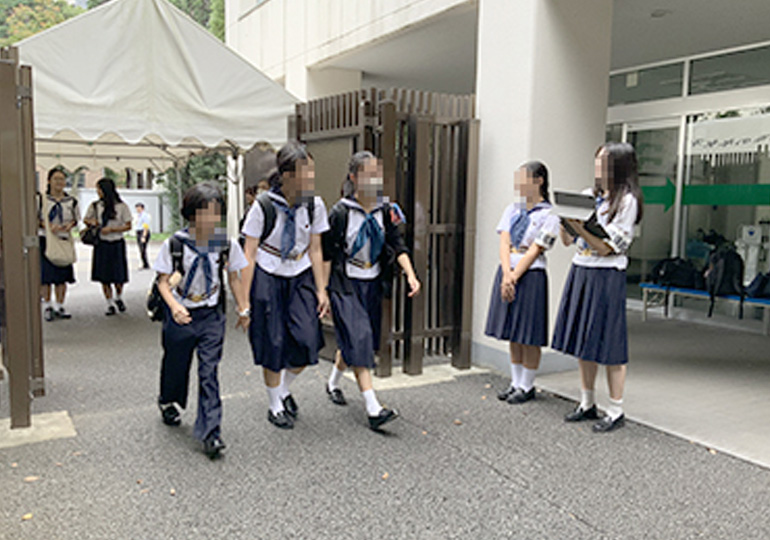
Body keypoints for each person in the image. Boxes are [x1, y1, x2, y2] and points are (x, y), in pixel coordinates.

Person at [324, 151, 421, 430]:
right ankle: (373, 408)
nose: (374, 180)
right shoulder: (340, 213)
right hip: (346, 284)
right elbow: (328, 254)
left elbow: (397, 244)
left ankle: (332, 384)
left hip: (373, 282)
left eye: (377, 174)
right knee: (361, 339)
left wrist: (411, 275)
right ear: (354, 178)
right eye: (368, 174)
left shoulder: (384, 211)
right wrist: (324, 293)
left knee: (355, 342)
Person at [552, 142, 643, 433]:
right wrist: (566, 222)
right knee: (584, 340)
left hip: (607, 276)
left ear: (620, 166)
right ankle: (587, 402)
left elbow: (606, 248)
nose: (598, 167)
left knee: (610, 342)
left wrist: (580, 227)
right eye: (597, 161)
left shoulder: (628, 202)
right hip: (582, 270)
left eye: (604, 162)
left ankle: (615, 410)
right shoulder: (587, 196)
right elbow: (568, 242)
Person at [155, 182, 250, 459]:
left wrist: (243, 310)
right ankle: (168, 400)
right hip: (182, 313)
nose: (212, 219)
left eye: (216, 212)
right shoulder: (175, 243)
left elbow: (234, 277)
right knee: (176, 362)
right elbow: (163, 283)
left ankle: (211, 433)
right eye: (206, 212)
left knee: (209, 372)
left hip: (210, 314)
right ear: (192, 213)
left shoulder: (225, 243)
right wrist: (173, 307)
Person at [240, 142, 330, 430]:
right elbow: (249, 255)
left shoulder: (315, 205)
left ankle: (283, 388)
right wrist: (244, 302)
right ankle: (275, 403)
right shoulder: (263, 206)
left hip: (300, 271)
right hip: (268, 271)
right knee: (273, 341)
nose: (311, 180)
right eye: (306, 174)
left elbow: (316, 249)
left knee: (307, 340)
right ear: (288, 175)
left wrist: (321, 289)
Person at [485, 161, 559, 404]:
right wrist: (506, 273)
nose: (519, 186)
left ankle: (527, 385)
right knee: (513, 331)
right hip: (508, 270)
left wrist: (515, 276)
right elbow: (504, 240)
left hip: (531, 274)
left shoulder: (549, 214)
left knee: (529, 332)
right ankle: (515, 382)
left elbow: (537, 248)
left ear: (539, 181)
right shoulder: (512, 209)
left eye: (523, 179)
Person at [83, 178, 133, 316]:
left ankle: (118, 296)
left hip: (116, 242)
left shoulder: (121, 206)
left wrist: (112, 229)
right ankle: (109, 303)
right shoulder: (95, 206)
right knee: (104, 276)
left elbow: (128, 225)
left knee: (119, 275)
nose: (97, 192)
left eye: (99, 189)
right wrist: (92, 222)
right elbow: (85, 219)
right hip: (101, 243)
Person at [39, 167, 80, 321]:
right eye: (56, 179)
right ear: (49, 181)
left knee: (62, 276)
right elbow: (35, 218)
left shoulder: (71, 201)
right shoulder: (41, 199)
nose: (59, 182)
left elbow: (76, 219)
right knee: (46, 276)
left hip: (63, 239)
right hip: (46, 239)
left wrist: (70, 225)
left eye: (62, 179)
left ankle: (60, 306)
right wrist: (48, 226)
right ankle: (48, 306)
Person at [134, 202, 151, 270]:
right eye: (136, 208)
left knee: (143, 249)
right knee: (140, 249)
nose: (137, 209)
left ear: (142, 208)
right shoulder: (138, 215)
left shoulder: (145, 216)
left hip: (143, 232)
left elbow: (146, 226)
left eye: (138, 208)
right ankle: (144, 263)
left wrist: (144, 236)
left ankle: (145, 264)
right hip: (138, 232)